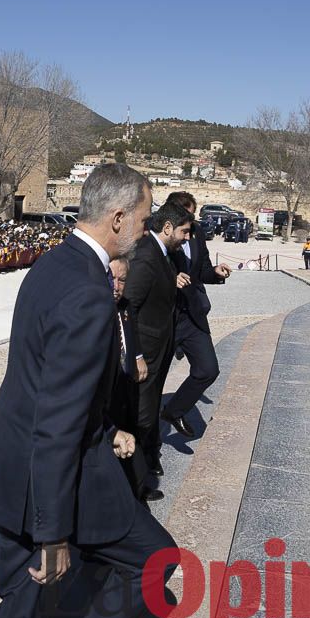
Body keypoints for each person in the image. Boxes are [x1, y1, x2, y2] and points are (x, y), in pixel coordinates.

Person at [0, 163, 177, 618]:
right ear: (118, 218)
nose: (144, 232)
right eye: (142, 220)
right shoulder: (88, 291)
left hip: (10, 467)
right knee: (154, 560)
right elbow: (58, 418)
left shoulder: (53, 262)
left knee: (20, 614)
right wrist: (52, 532)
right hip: (50, 477)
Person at [125, 203, 193, 499]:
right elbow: (129, 308)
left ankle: (140, 477)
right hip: (146, 354)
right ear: (167, 228)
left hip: (158, 351)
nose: (188, 238)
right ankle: (133, 488)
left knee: (148, 413)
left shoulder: (165, 255)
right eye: (185, 232)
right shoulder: (147, 257)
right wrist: (136, 354)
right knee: (140, 416)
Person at [162, 193, 231, 444]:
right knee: (153, 380)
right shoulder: (153, 234)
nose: (191, 220)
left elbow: (201, 269)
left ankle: (174, 410)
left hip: (191, 314)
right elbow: (144, 270)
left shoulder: (197, 232)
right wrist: (169, 280)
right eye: (187, 214)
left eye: (193, 214)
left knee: (208, 369)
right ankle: (147, 448)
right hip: (164, 318)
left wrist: (215, 272)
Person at [108, 257, 150, 500]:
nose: (116, 286)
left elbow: (131, 334)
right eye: (111, 278)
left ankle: (137, 486)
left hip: (126, 384)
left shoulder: (125, 306)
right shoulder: (95, 312)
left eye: (122, 280)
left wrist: (138, 355)